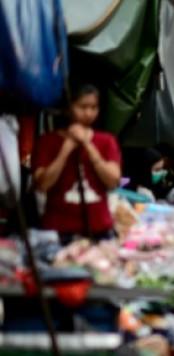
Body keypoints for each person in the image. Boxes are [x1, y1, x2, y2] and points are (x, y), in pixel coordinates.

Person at [33, 85, 121, 244]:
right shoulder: (47, 142)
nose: (88, 113)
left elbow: (113, 180)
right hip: (59, 231)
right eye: (82, 107)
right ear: (68, 108)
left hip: (100, 229)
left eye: (94, 107)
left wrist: (88, 146)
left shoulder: (106, 141)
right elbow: (42, 184)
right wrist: (65, 150)